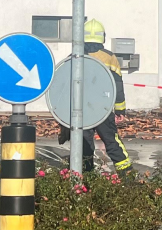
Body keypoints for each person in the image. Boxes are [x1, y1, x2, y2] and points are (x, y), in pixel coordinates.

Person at [57, 18, 132, 173]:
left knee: (84, 143)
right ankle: (127, 174)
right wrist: (120, 111)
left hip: (80, 108)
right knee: (112, 141)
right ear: (102, 37)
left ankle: (86, 175)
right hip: (102, 108)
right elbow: (117, 86)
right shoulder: (109, 57)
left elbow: (64, 84)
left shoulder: (75, 56)